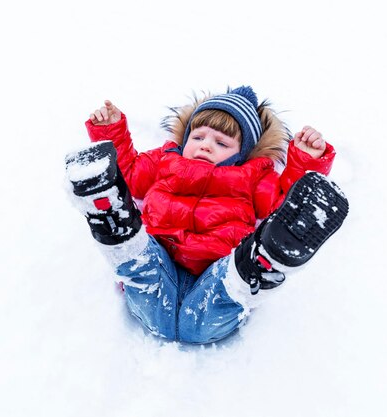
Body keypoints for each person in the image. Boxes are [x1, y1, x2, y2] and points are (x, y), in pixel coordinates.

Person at [65, 86, 348, 344]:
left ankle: (258, 266)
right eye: (198, 136)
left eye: (221, 144)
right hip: (159, 267)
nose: (205, 145)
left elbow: (283, 203)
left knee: (215, 304)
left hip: (216, 278)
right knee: (142, 264)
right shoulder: (165, 159)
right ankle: (119, 232)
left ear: (243, 154)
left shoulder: (253, 176)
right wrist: (110, 131)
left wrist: (305, 160)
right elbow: (129, 174)